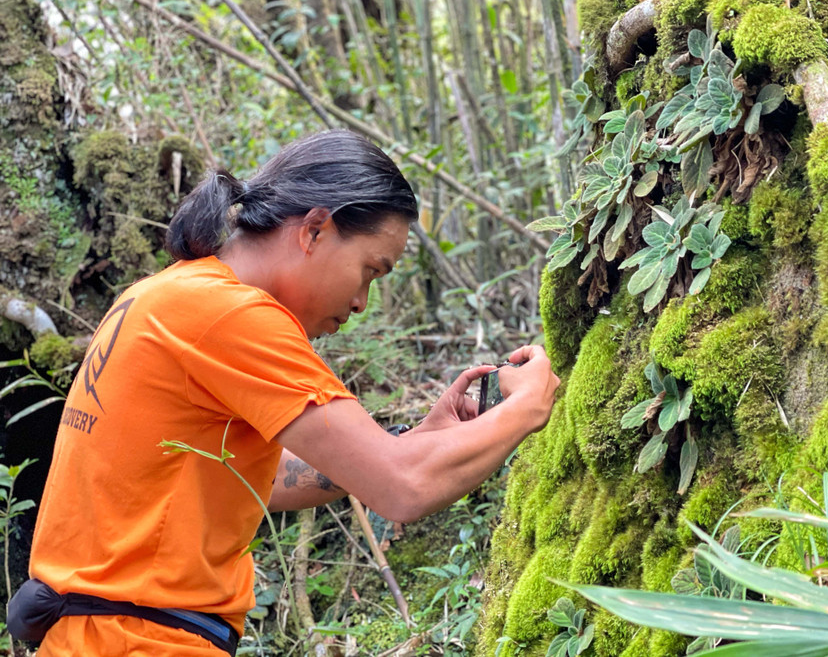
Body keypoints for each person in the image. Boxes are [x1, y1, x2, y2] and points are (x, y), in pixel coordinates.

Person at [15, 129, 559, 656]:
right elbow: (402, 488)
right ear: (315, 229)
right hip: (142, 641)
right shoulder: (232, 315)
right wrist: (528, 406)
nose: (362, 302)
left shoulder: (167, 294)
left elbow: (263, 476)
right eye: (370, 270)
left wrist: (417, 439)